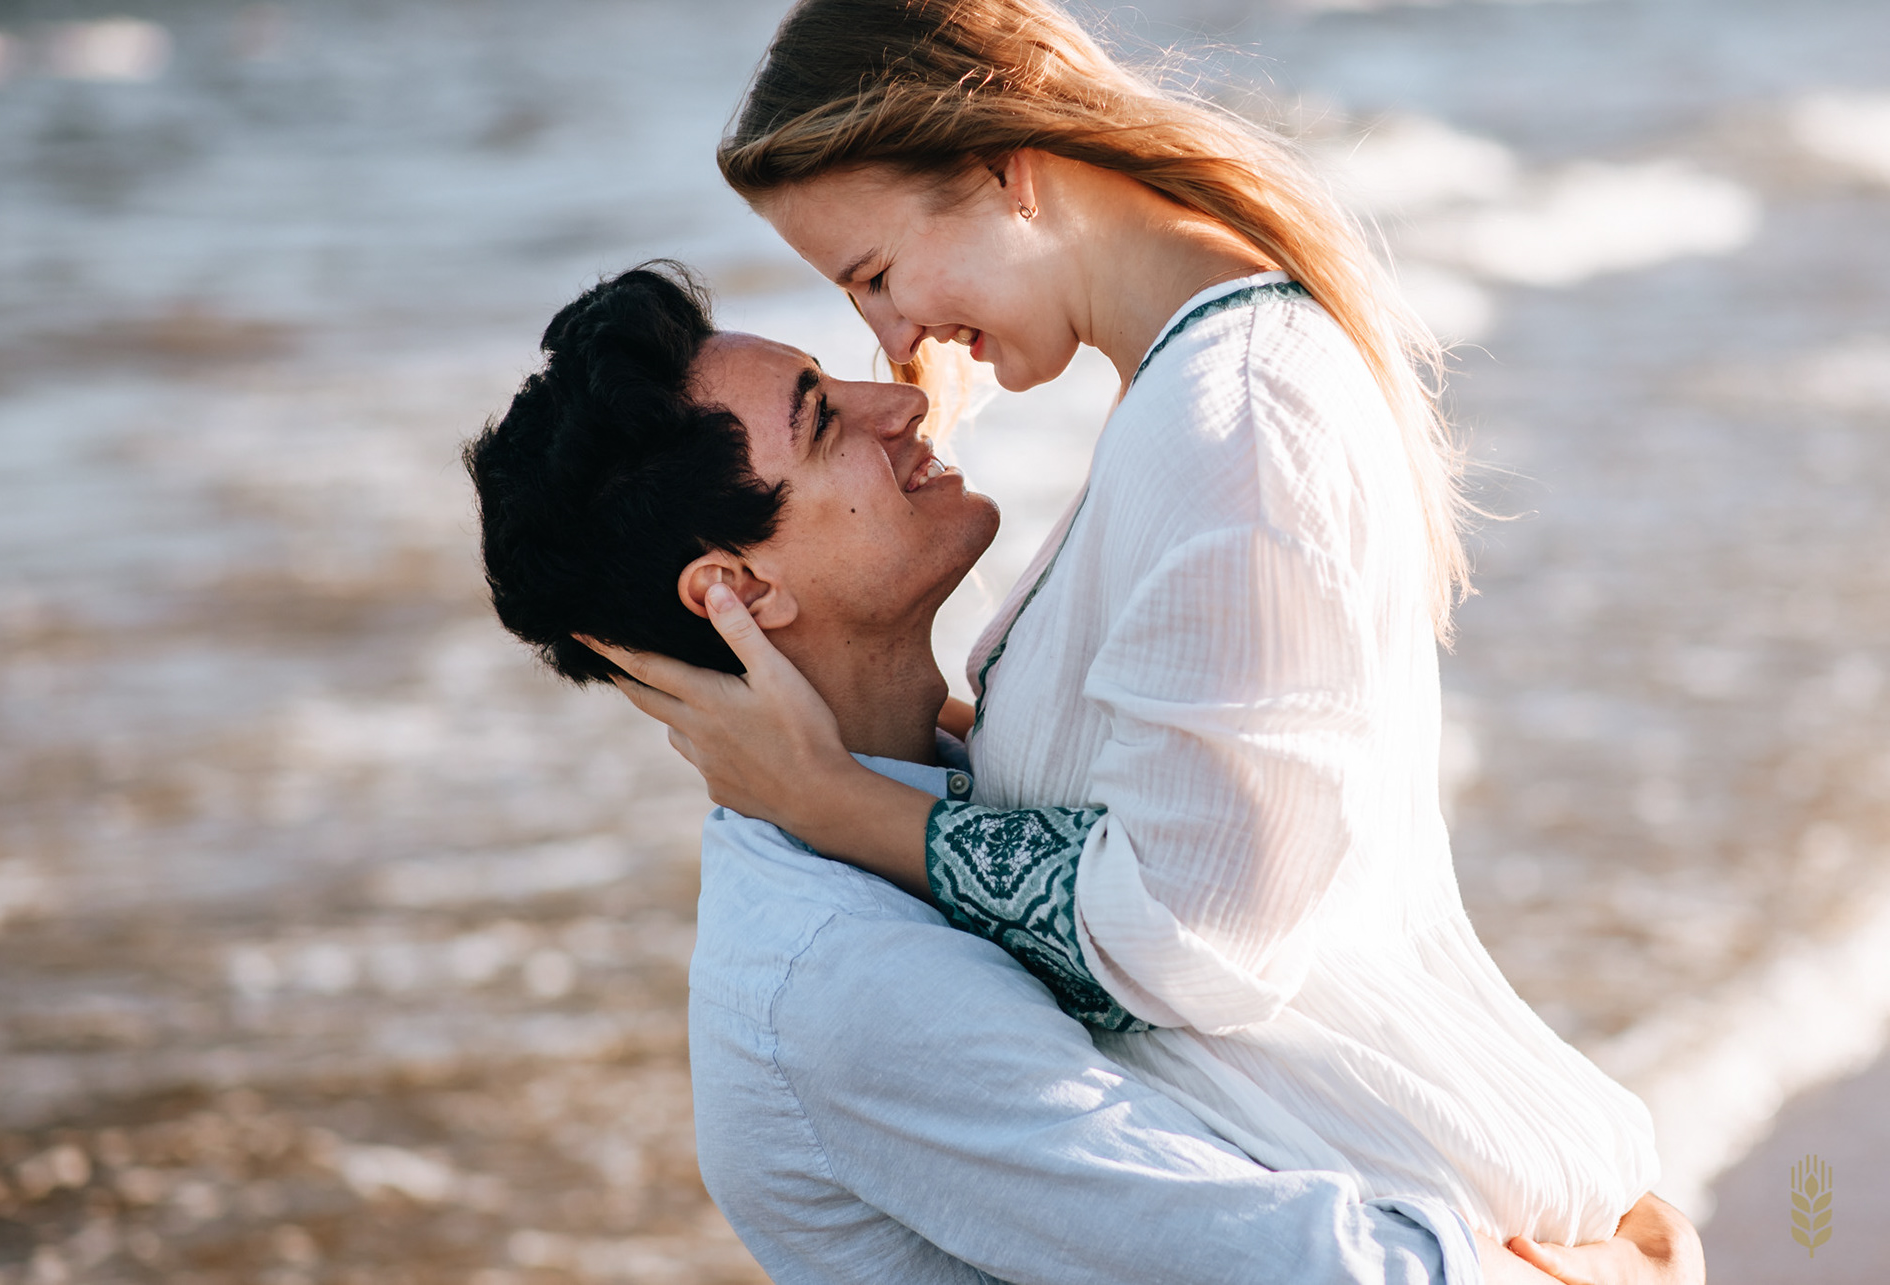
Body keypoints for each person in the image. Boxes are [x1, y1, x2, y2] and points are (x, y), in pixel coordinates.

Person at [594, 0, 1672, 1259]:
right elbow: (1179, 797)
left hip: (1472, 1231)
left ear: (1008, 171)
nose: (894, 347)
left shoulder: (1234, 422)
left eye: (875, 276)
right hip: (1435, 1204)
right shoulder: (1199, 394)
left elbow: (1188, 942)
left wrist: (841, 803)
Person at [463, 264, 1701, 1284]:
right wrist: (1611, 1267)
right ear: (737, 592)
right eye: (825, 419)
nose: (900, 403)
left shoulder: (965, 771)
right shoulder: (836, 980)